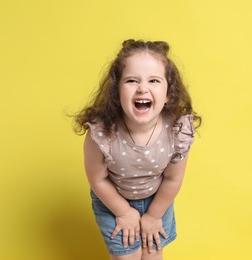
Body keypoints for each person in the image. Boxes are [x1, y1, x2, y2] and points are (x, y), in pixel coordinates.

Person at [73, 39, 201, 260]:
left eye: (154, 80)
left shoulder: (177, 130)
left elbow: (173, 179)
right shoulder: (101, 134)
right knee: (126, 257)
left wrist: (153, 215)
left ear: (168, 93)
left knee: (152, 253)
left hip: (158, 199)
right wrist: (123, 212)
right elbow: (98, 180)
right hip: (113, 199)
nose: (143, 88)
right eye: (132, 80)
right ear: (116, 92)